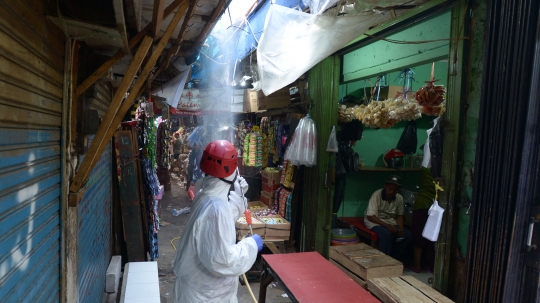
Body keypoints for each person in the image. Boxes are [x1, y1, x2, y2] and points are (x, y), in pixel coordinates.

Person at [172, 140, 263, 303]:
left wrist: (238, 196)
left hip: (200, 289)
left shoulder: (206, 195)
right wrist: (251, 246)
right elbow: (221, 260)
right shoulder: (216, 208)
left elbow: (222, 219)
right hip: (206, 295)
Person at [364, 175, 411, 260]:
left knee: (407, 236)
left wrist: (400, 229)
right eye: (390, 189)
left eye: (395, 190)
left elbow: (399, 216)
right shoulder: (377, 195)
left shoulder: (399, 198)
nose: (392, 192)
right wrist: (387, 226)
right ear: (385, 186)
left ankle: (393, 256)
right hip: (374, 221)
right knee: (386, 234)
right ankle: (385, 259)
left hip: (390, 221)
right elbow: (370, 216)